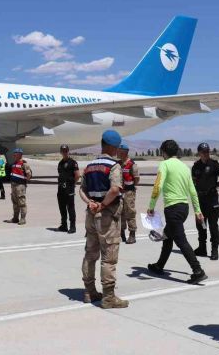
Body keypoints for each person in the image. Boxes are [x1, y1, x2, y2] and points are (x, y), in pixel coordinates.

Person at [79, 130, 129, 309]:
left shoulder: (90, 166)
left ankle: (89, 291)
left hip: (91, 215)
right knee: (109, 258)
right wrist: (102, 205)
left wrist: (90, 203)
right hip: (107, 217)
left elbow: (81, 190)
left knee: (90, 254)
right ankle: (108, 297)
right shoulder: (113, 166)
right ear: (113, 147)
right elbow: (115, 189)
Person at [146, 140, 207, 285]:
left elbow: (157, 186)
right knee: (167, 237)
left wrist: (151, 206)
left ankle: (198, 270)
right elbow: (192, 191)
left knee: (180, 240)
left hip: (172, 209)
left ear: (164, 152)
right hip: (184, 208)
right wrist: (197, 210)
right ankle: (159, 266)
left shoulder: (165, 164)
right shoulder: (184, 167)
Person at [192, 142, 219, 261]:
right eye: (203, 152)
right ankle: (202, 248)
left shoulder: (215, 165)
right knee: (201, 224)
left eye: (207, 151)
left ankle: (214, 250)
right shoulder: (196, 166)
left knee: (213, 226)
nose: (206, 153)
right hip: (200, 201)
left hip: (212, 200)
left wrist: (215, 186)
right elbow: (193, 182)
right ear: (199, 153)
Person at [117, 142, 140, 244]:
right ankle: (121, 233)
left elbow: (136, 178)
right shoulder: (118, 164)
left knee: (130, 212)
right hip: (119, 192)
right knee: (120, 212)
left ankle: (132, 234)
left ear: (125, 152)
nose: (118, 153)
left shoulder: (131, 164)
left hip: (129, 192)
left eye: (119, 152)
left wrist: (130, 187)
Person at [56, 144, 79, 234]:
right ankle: (64, 225)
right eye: (63, 151)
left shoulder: (73, 162)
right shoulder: (60, 163)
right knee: (62, 207)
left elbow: (77, 175)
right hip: (61, 189)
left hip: (69, 189)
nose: (64, 152)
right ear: (61, 152)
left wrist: (72, 184)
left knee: (70, 208)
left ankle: (73, 226)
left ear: (68, 151)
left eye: (66, 151)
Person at [7, 148, 32, 225]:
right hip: (14, 185)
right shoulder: (14, 163)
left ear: (20, 154)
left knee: (21, 202)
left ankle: (23, 219)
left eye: (15, 154)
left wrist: (24, 182)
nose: (14, 155)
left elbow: (29, 174)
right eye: (14, 154)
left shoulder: (24, 164)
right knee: (15, 202)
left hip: (20, 186)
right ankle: (15, 218)